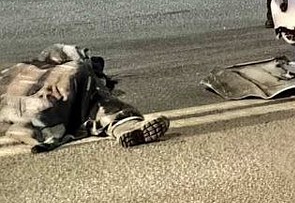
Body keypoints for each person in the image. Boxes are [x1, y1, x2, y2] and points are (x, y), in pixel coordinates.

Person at [0, 45, 170, 153]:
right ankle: (121, 123)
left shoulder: (19, 70)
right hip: (50, 109)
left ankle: (121, 125)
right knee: (94, 95)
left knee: (87, 99)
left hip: (20, 114)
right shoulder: (75, 66)